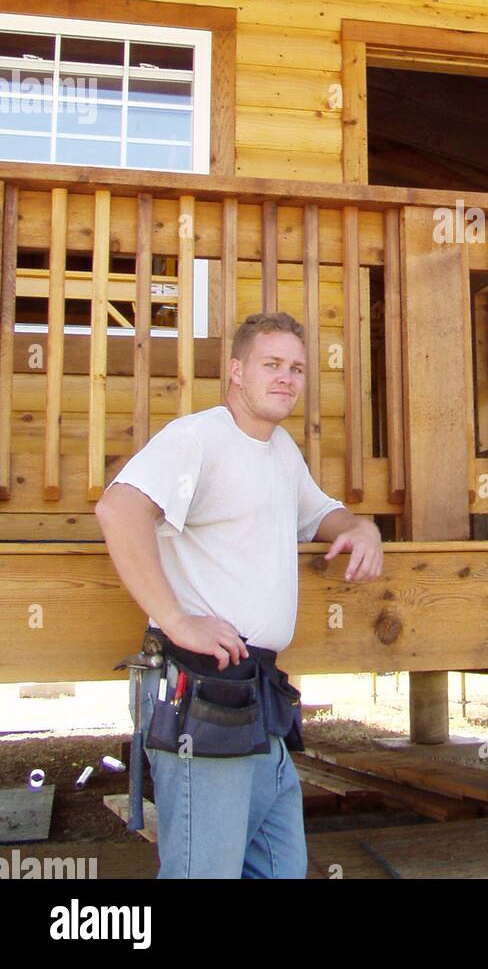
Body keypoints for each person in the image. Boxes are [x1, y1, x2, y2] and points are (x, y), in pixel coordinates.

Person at [96, 310, 382, 879]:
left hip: (261, 695)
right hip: (200, 691)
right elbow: (118, 508)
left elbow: (321, 512)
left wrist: (360, 528)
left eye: (297, 368)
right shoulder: (198, 438)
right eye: (271, 364)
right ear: (236, 371)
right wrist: (176, 619)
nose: (286, 377)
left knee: (279, 868)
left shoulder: (280, 452)